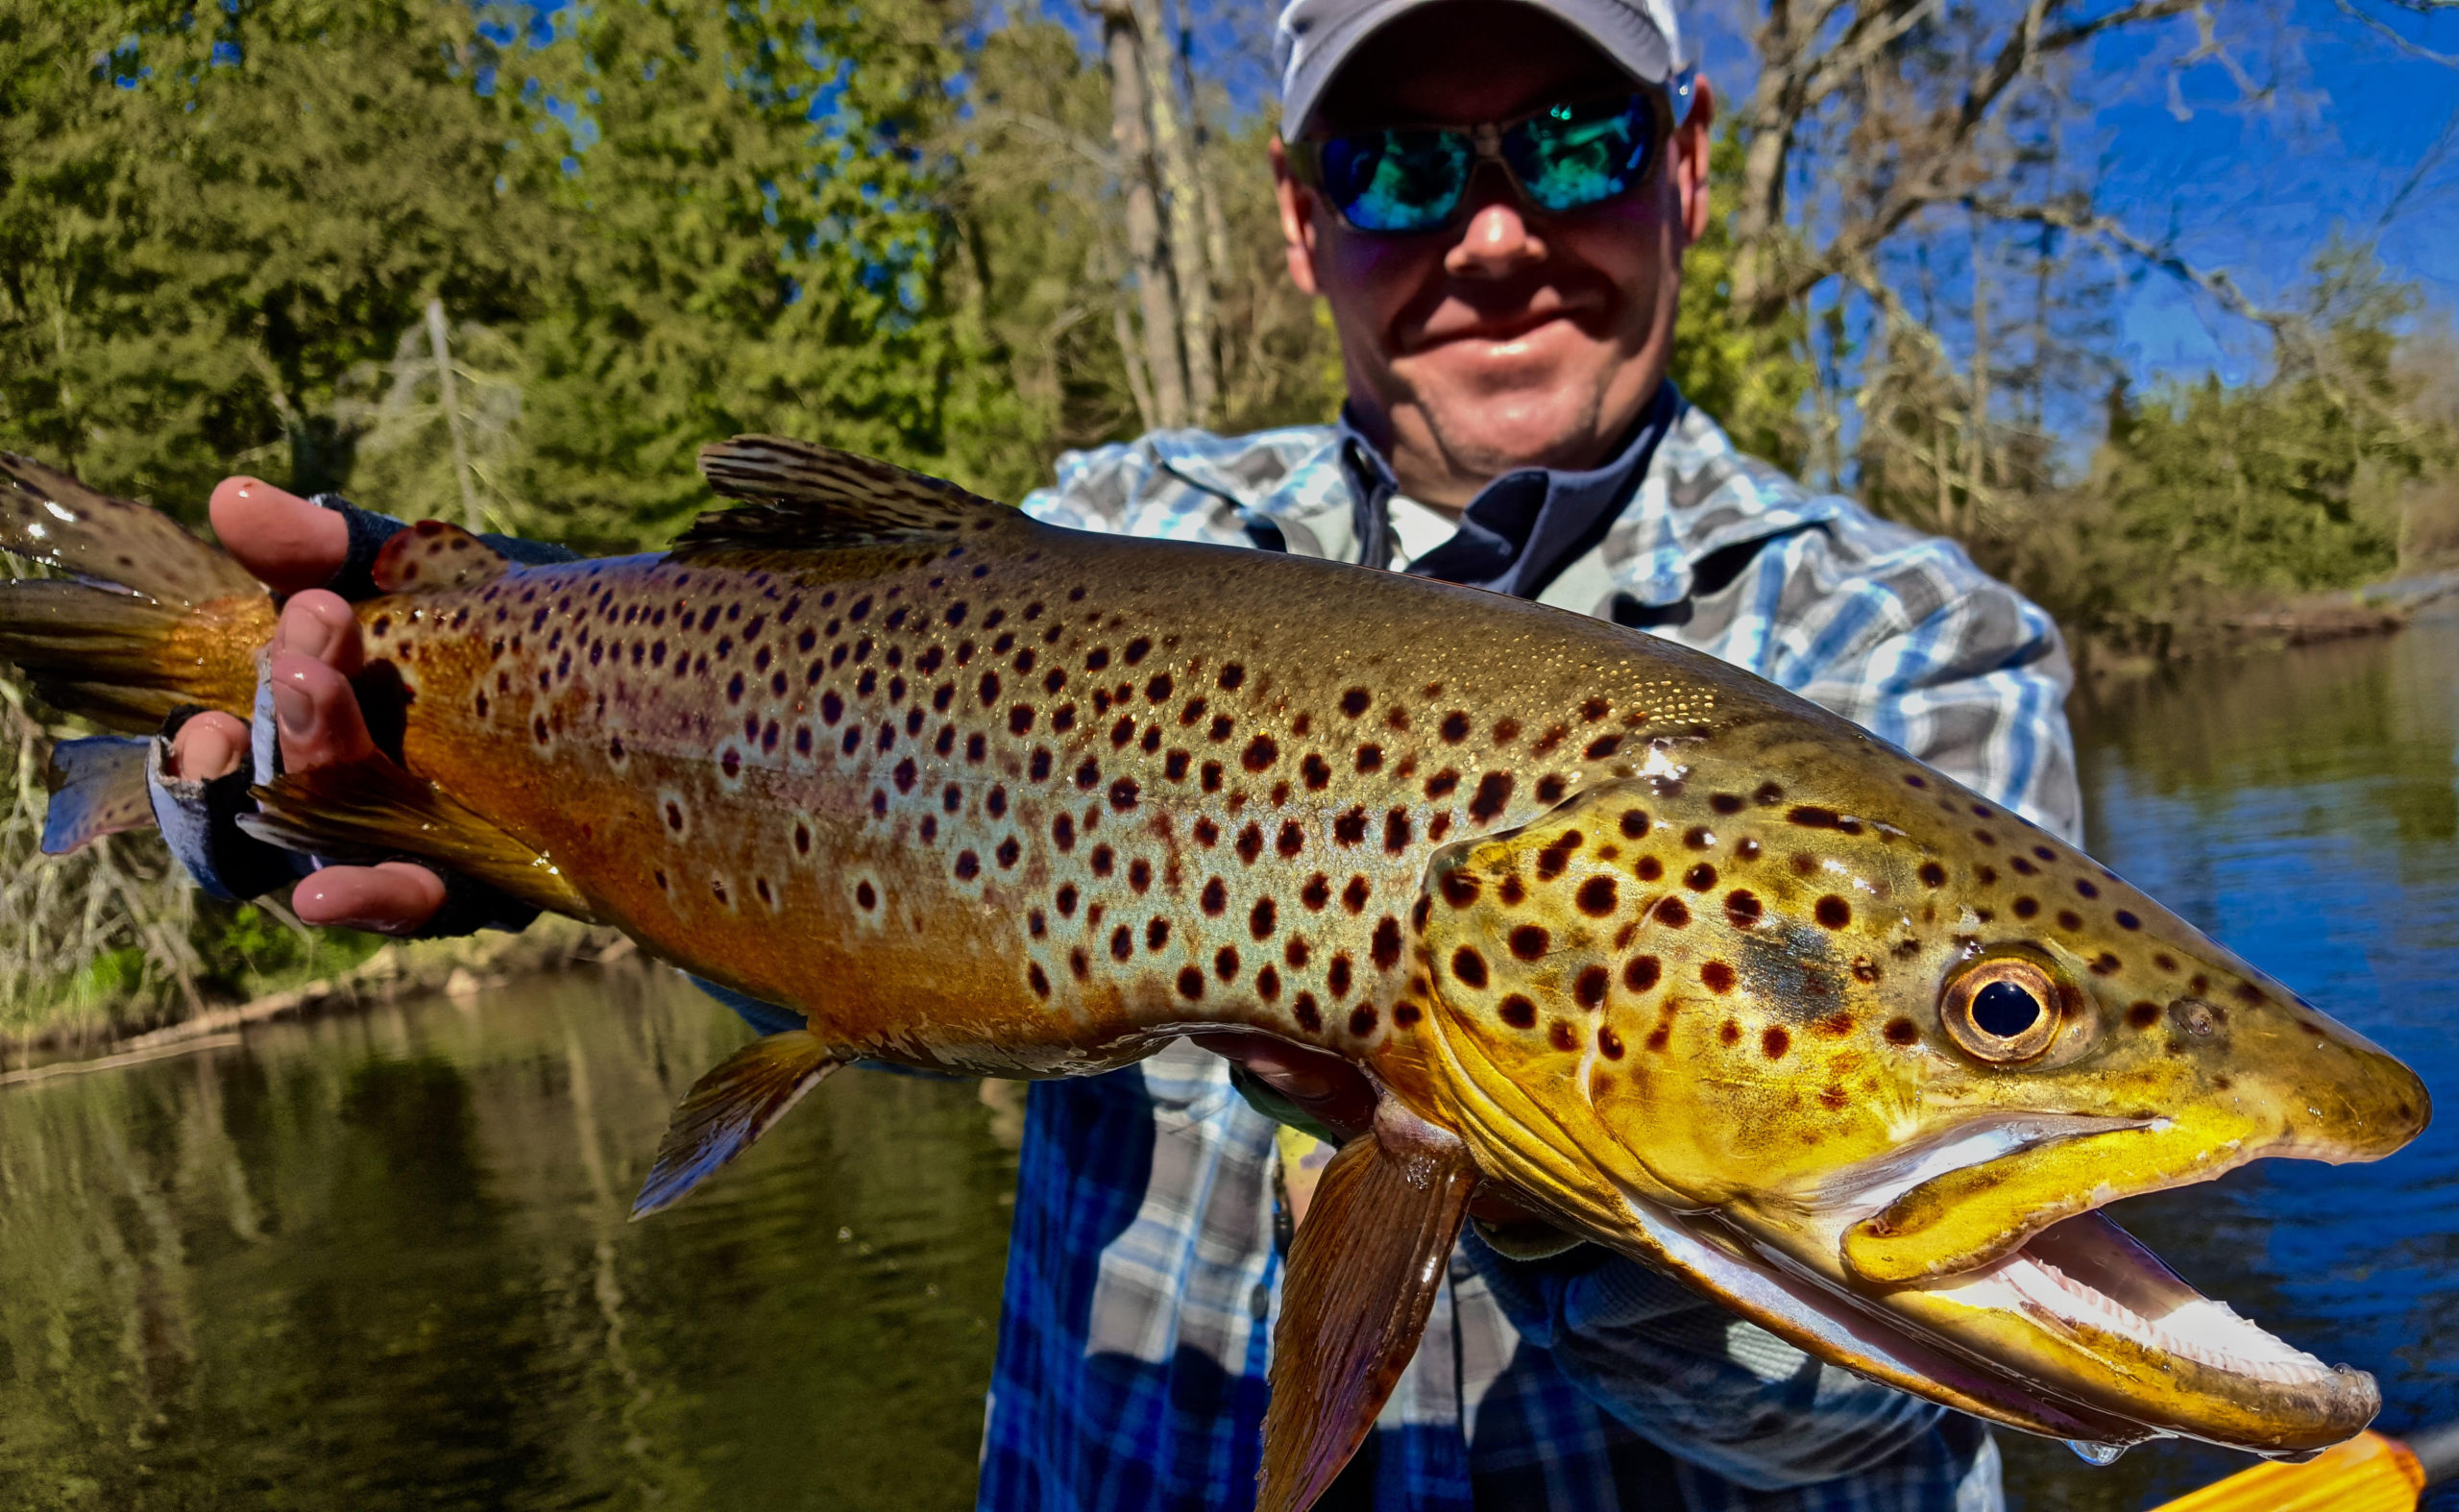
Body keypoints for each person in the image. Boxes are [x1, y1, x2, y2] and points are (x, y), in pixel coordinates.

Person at [155, 0, 2077, 1505]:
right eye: (1403, 168)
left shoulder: (1909, 650)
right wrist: (369, 790)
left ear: (1684, 166)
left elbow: (1874, 1409)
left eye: (1567, 146)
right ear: (1300, 213)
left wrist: (1523, 1156)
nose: (1493, 232)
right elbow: (846, 909)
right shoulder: (1104, 531)